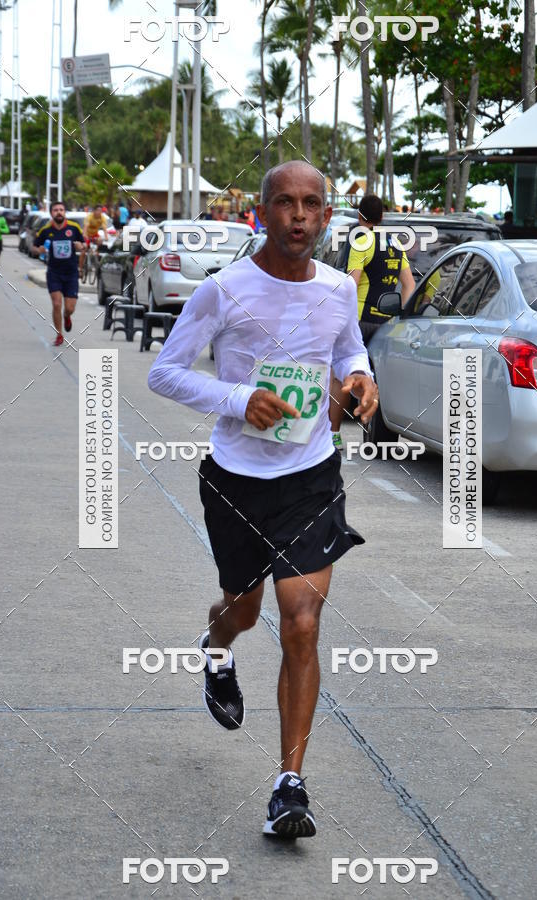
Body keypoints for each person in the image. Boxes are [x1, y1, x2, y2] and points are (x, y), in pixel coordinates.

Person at [148, 160, 377, 839]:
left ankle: (289, 784)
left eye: (311, 204)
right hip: (236, 479)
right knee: (244, 610)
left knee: (301, 620)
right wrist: (238, 399)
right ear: (263, 212)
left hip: (310, 475)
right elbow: (166, 373)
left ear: (327, 216)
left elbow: (350, 352)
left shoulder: (339, 290)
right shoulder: (224, 290)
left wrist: (360, 382)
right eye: (284, 202)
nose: (298, 216)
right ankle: (215, 646)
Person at [329, 193, 415, 448]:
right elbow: (409, 285)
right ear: (382, 217)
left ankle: (334, 433)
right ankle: (372, 427)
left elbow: (351, 284)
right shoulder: (396, 244)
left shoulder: (361, 241)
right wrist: (400, 313)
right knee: (376, 377)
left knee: (340, 376)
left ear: (359, 216)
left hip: (359, 319)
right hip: (386, 321)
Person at [31, 201, 84, 346]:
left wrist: (81, 246)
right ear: (51, 213)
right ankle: (59, 334)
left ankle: (67, 316)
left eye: (61, 209)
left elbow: (83, 244)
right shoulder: (45, 231)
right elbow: (34, 247)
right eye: (56, 210)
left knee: (69, 308)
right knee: (56, 304)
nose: (59, 212)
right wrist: (39, 250)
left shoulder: (74, 228)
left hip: (71, 273)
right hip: (54, 272)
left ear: (65, 212)